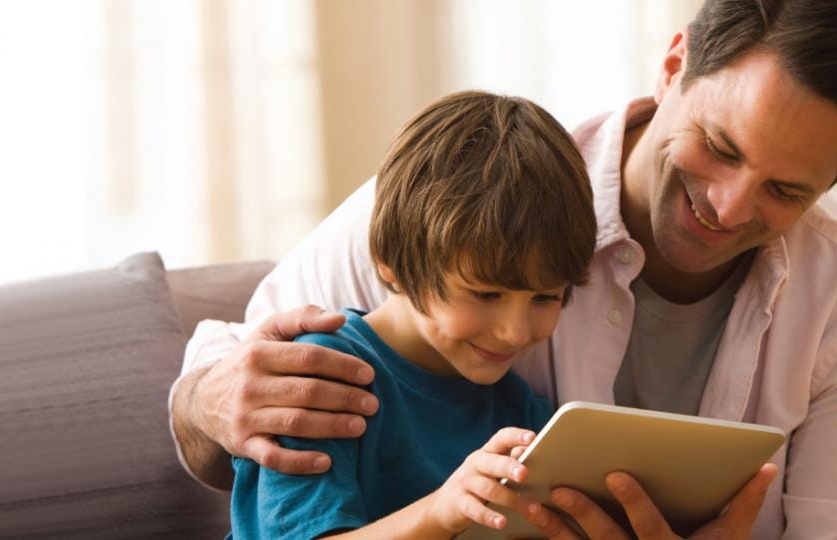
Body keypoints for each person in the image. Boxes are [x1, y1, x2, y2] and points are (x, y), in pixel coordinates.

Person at [170, 0, 837, 537]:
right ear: (674, 65)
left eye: (787, 190)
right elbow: (236, 370)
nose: (728, 205)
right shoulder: (471, 194)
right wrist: (209, 399)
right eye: (720, 145)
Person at [227, 90, 597, 538]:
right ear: (392, 264)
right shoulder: (321, 379)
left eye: (545, 298)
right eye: (484, 294)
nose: (515, 333)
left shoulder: (522, 412)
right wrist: (441, 511)